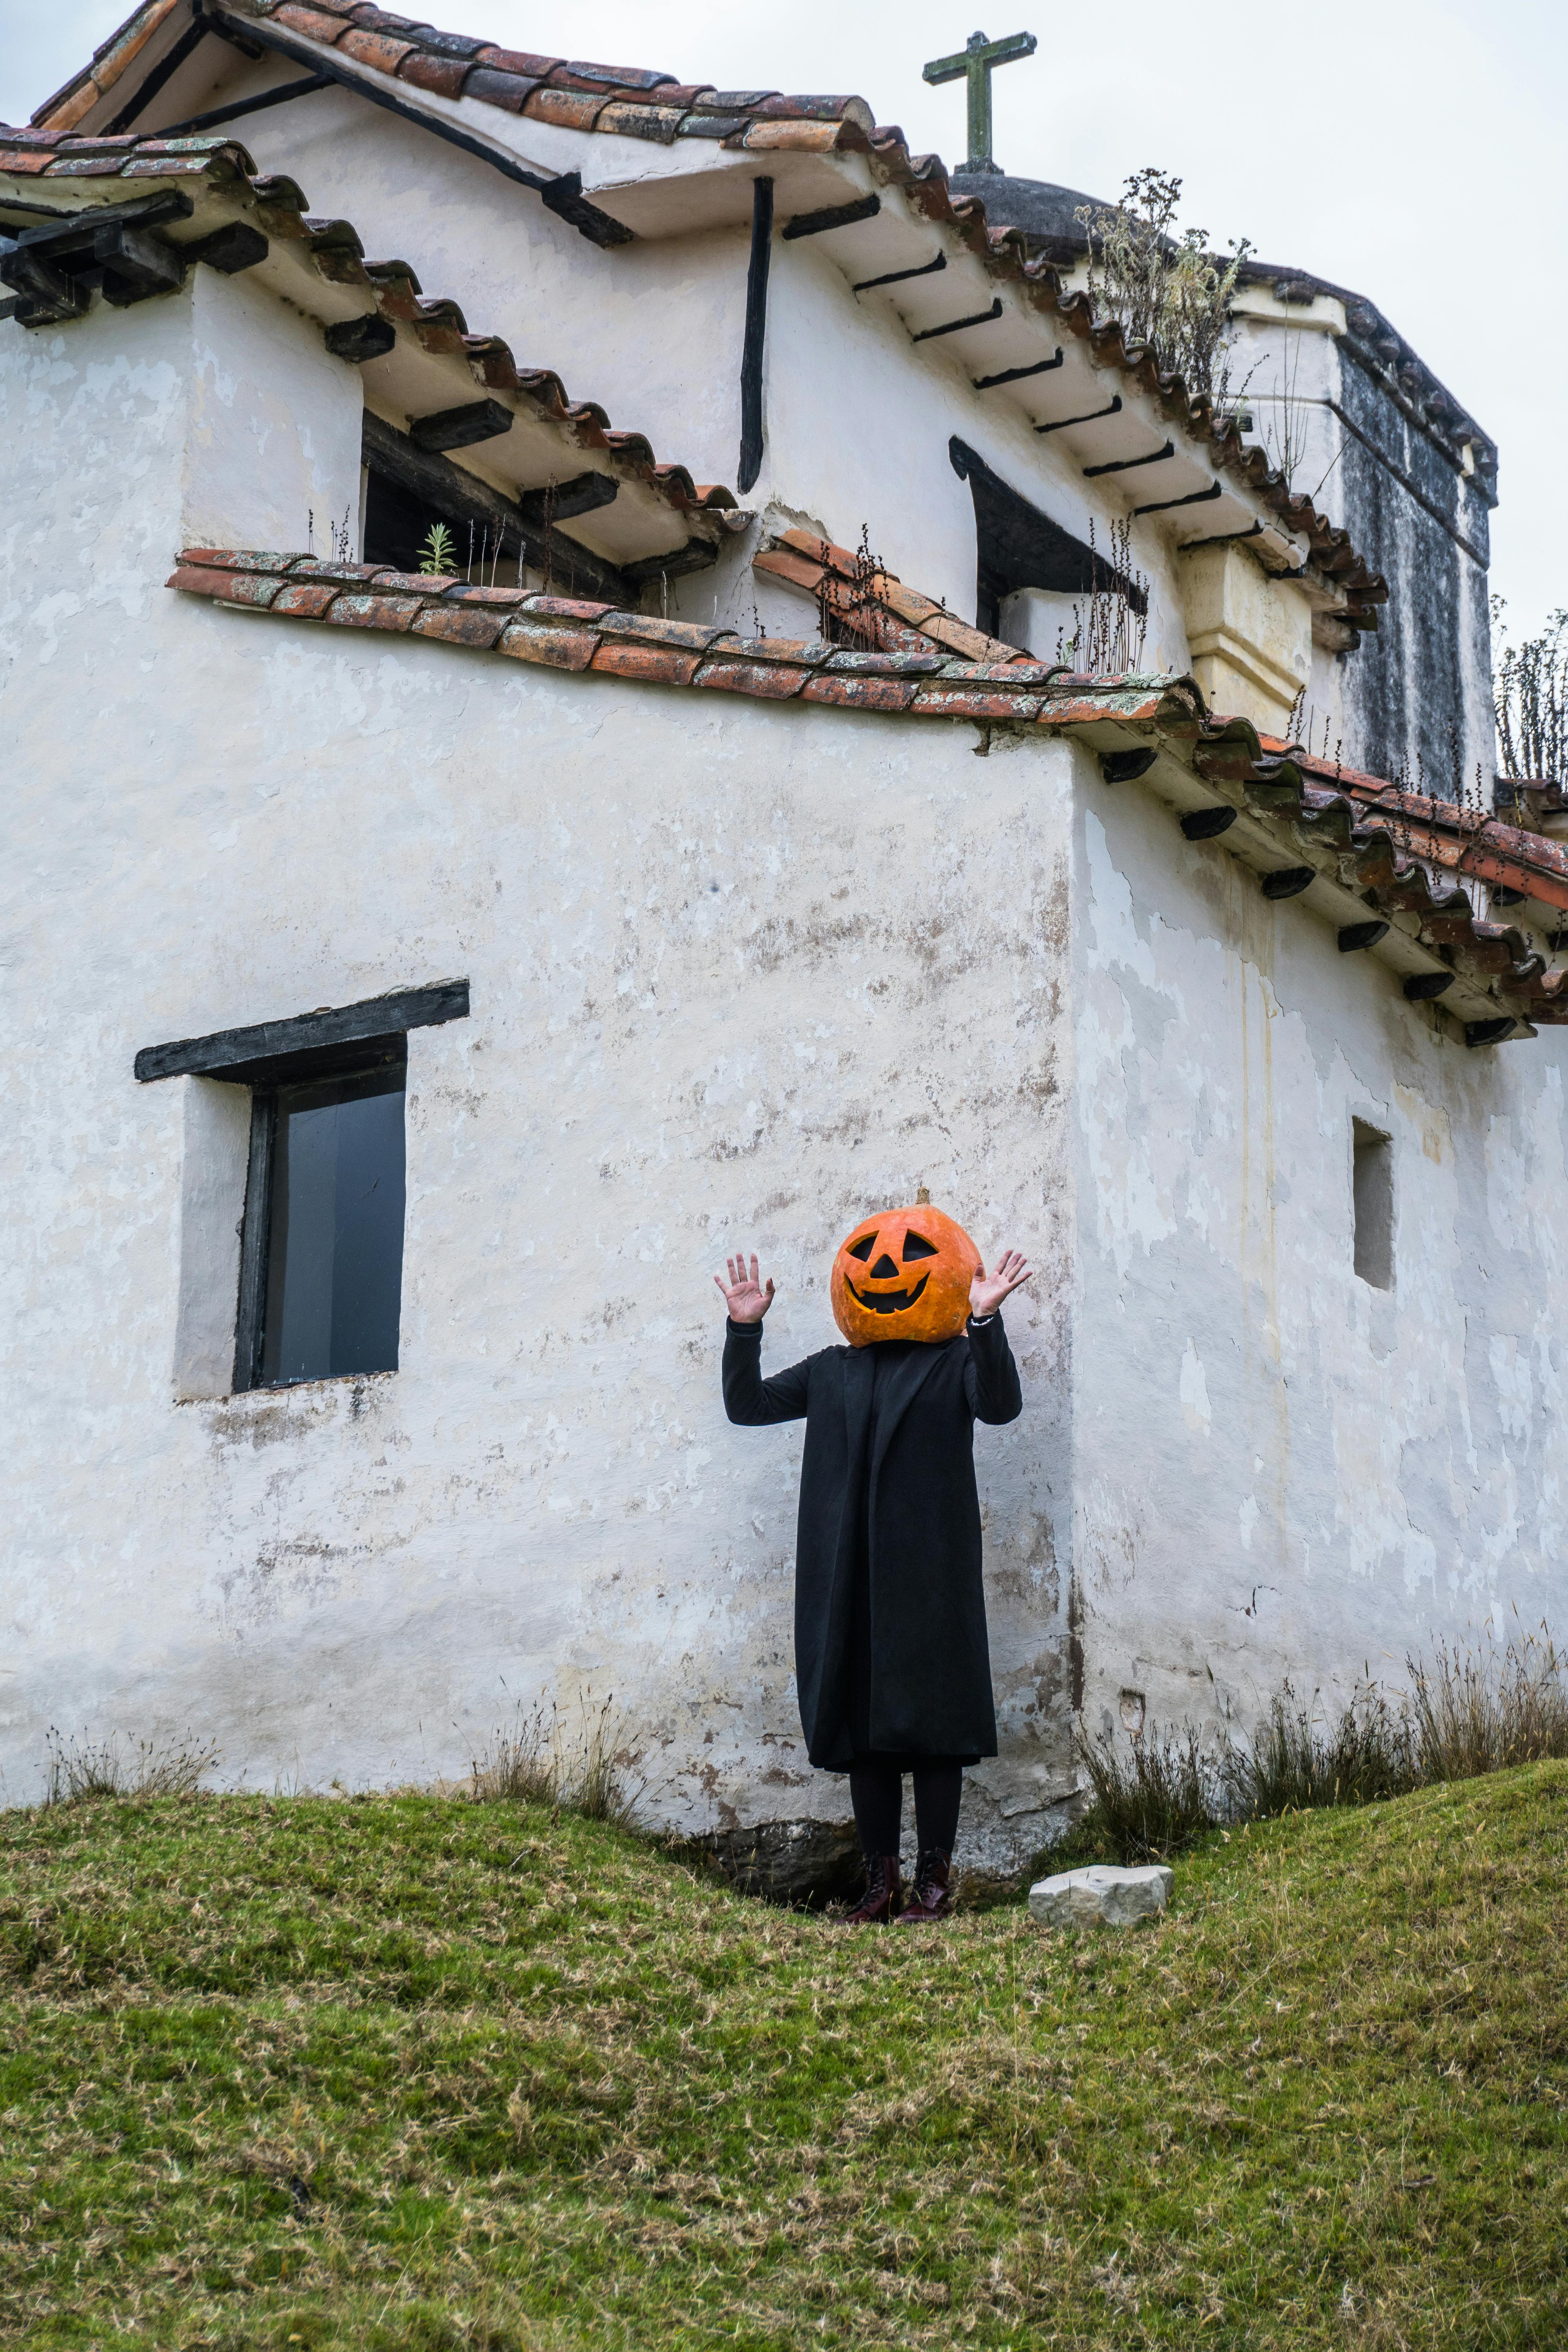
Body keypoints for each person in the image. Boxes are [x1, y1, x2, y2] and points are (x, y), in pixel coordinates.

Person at [715, 1225, 1030, 1925]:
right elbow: (749, 1407)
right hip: (849, 1573)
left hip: (931, 1574)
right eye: (867, 1257)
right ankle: (879, 1887)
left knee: (939, 1730)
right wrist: (744, 1331)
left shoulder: (954, 1360)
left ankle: (933, 1888)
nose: (886, 1267)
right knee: (866, 1737)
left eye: (912, 1255)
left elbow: (1001, 1406)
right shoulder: (831, 1370)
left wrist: (984, 1322)